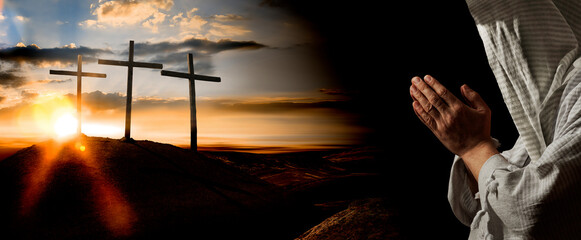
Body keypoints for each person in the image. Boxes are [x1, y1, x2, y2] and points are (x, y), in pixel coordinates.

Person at [410, 0, 581, 239]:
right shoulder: (563, 95)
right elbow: (478, 204)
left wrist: (474, 147)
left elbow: (536, 212)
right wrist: (474, 151)